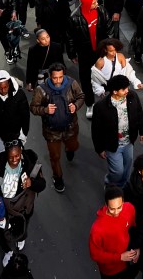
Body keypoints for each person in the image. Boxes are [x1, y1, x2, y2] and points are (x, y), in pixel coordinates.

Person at [29, 62, 85, 194]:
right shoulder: (41, 90)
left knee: (73, 146)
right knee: (54, 157)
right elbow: (33, 107)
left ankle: (69, 150)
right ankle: (58, 178)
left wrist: (75, 106)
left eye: (60, 77)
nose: (58, 80)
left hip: (70, 127)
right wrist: (45, 110)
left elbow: (81, 96)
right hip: (51, 131)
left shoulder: (72, 83)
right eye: (55, 78)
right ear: (50, 76)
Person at [0, 141, 47, 266]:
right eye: (11, 157)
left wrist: (32, 183)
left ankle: (21, 238)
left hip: (23, 206)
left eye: (17, 156)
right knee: (2, 230)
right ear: (6, 155)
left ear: (21, 153)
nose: (14, 160)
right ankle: (7, 250)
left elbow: (42, 184)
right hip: (3, 207)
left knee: (22, 226)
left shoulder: (31, 165)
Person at [91, 74, 143, 190]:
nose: (127, 91)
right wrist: (99, 148)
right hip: (112, 146)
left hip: (128, 142)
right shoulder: (100, 107)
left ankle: (121, 187)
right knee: (117, 171)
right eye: (124, 89)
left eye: (127, 87)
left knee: (127, 168)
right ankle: (110, 184)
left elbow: (139, 114)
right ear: (115, 91)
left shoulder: (132, 97)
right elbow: (96, 130)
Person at [89, 185, 140, 279]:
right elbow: (95, 254)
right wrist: (119, 257)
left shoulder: (129, 209)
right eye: (112, 209)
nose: (116, 212)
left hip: (128, 263)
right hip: (110, 271)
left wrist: (137, 248)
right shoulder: (97, 229)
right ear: (106, 204)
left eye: (119, 207)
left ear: (123, 202)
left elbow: (133, 230)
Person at [0, 70, 31, 155]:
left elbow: (25, 116)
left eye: (5, 87)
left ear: (9, 84)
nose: (3, 90)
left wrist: (23, 135)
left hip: (17, 136)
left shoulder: (19, 95)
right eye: (0, 88)